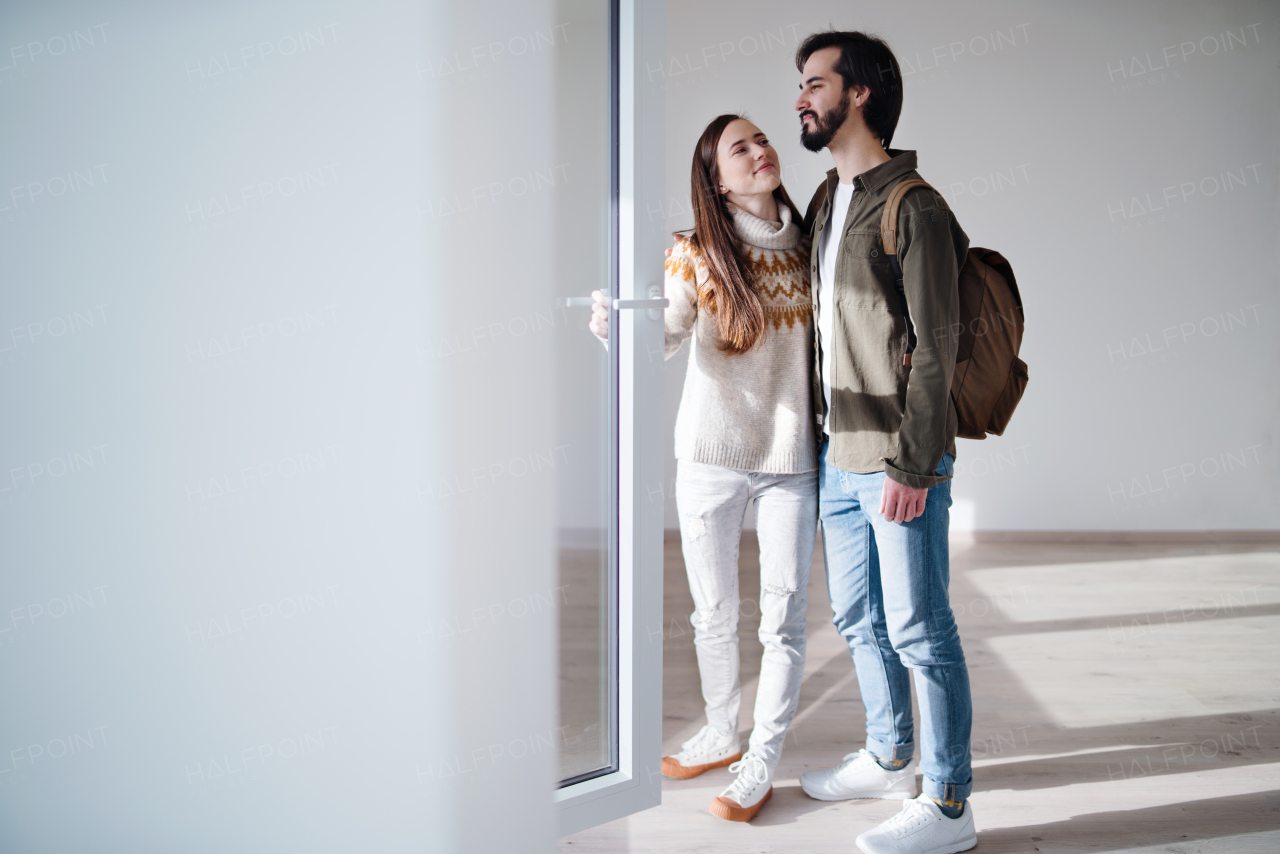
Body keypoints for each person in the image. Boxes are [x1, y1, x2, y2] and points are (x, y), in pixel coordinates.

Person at [589, 114, 816, 823]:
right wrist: (610, 324)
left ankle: (761, 760)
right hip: (710, 458)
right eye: (739, 149)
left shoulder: (814, 246)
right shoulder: (696, 253)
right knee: (712, 613)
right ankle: (721, 729)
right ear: (716, 181)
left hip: (791, 462)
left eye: (762, 140)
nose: (760, 152)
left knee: (781, 621)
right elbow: (659, 338)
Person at [790, 31, 978, 854]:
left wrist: (914, 462)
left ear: (858, 93)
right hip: (840, 453)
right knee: (860, 617)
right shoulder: (830, 200)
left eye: (814, 81)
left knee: (920, 627)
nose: (800, 96)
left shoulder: (915, 206)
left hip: (900, 457)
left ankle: (947, 805)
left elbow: (939, 345)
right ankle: (889, 750)